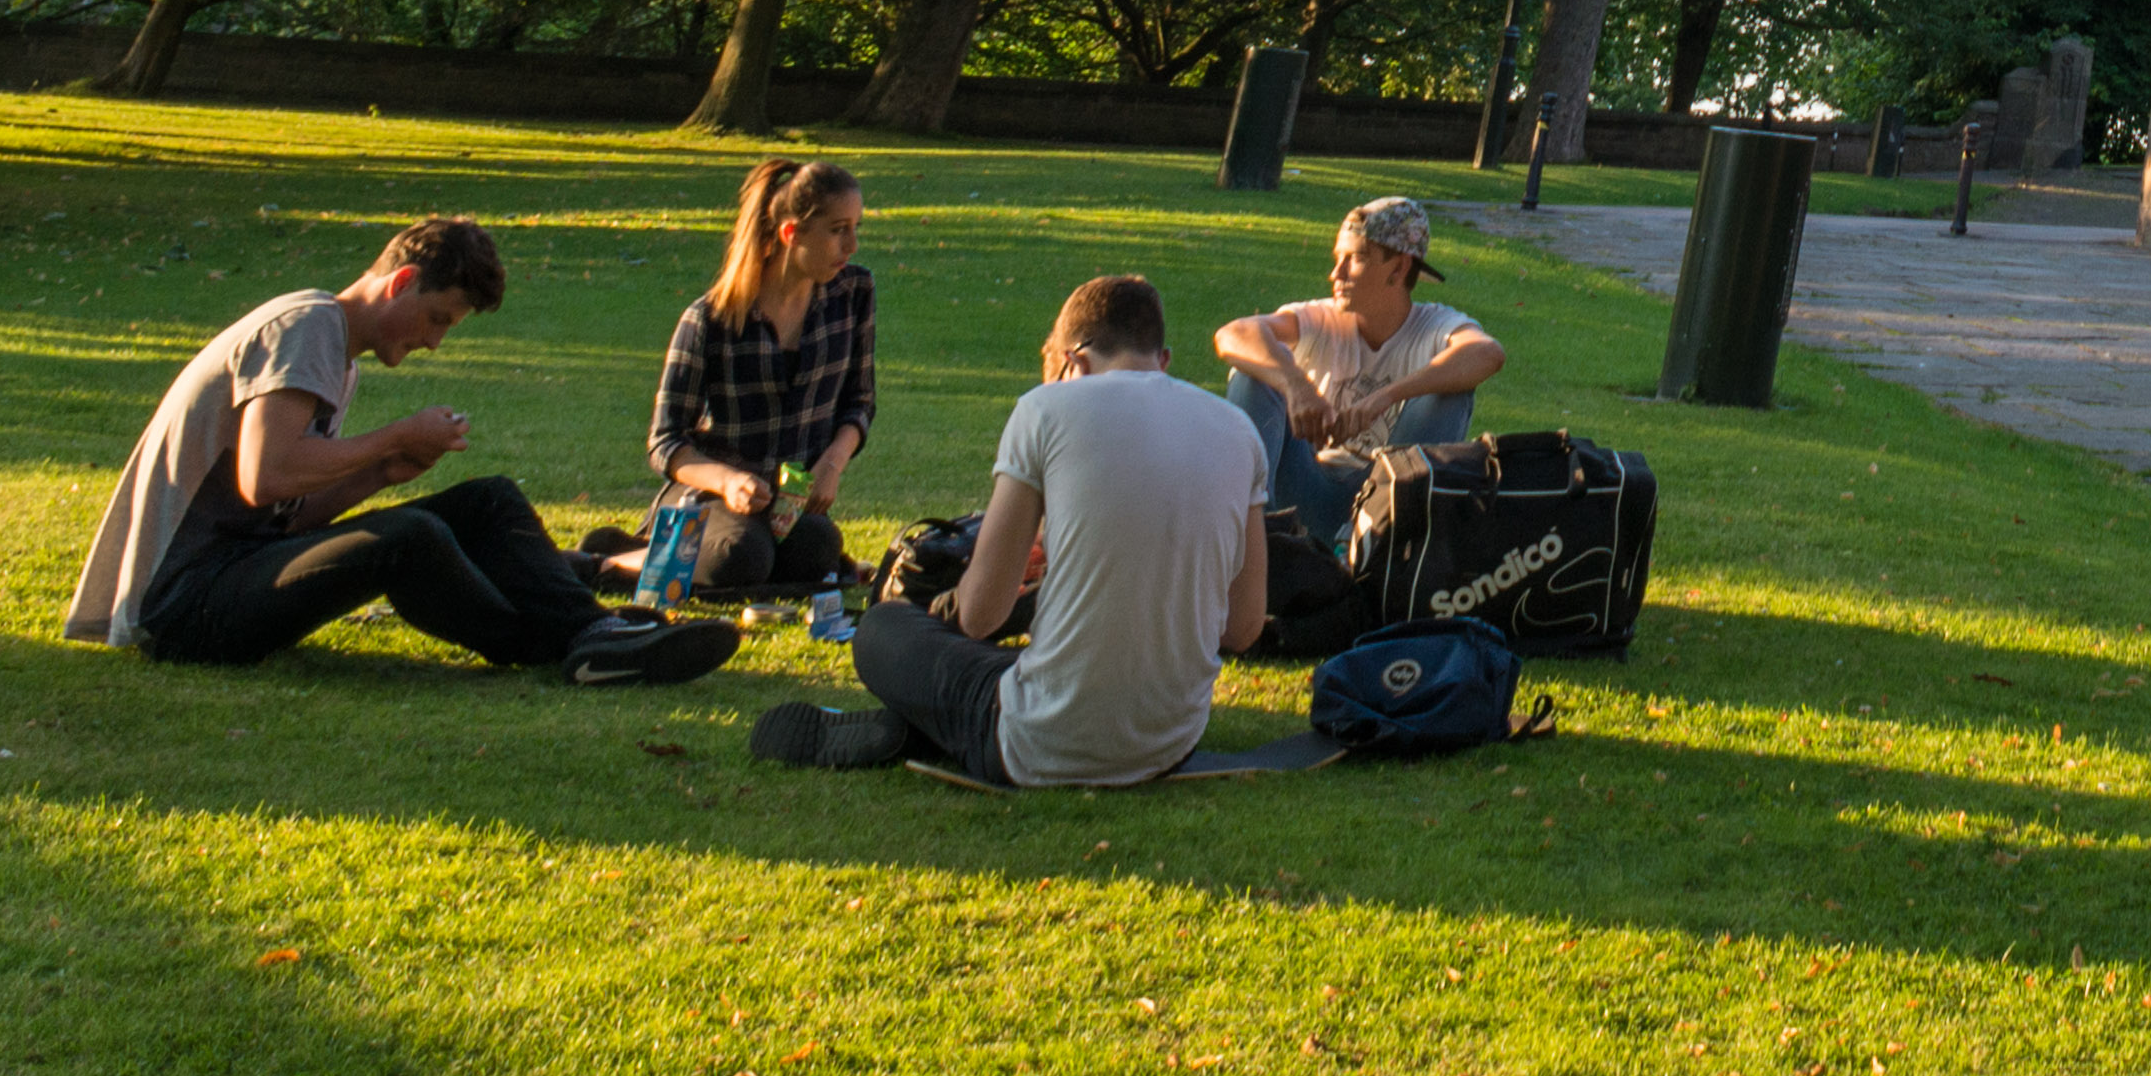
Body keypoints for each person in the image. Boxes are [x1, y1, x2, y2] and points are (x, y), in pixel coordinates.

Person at [62, 211, 646, 671]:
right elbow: (265, 476)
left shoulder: (339, 358)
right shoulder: (307, 325)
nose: (435, 342)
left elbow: (284, 517)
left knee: (488, 500)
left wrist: (381, 471)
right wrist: (392, 436)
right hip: (182, 605)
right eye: (438, 318)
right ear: (402, 282)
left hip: (238, 569)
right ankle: (564, 644)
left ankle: (595, 630)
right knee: (409, 536)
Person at [756, 274, 1262, 783]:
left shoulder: (1045, 410)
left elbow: (979, 615)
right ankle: (938, 724)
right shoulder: (1240, 431)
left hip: (1039, 743)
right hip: (1171, 741)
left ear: (1073, 363)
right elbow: (1243, 628)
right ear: (1163, 360)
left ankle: (924, 727)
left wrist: (944, 610)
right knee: (1007, 661)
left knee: (884, 628)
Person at [644, 156, 875, 600]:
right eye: (837, 230)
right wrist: (728, 482)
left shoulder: (853, 294)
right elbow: (666, 443)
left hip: (788, 502)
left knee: (818, 547)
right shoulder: (710, 319)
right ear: (792, 233)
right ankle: (615, 560)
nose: (852, 245)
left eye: (856, 227)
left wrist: (832, 462)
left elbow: (859, 402)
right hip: (711, 496)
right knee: (741, 555)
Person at [1210, 191, 1499, 527]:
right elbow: (1233, 334)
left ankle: (1397, 549)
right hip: (1306, 490)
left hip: (1387, 501)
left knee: (1450, 391)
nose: (1337, 273)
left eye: (1355, 258)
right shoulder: (1319, 318)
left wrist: (1386, 397)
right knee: (1251, 374)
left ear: (1399, 267)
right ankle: (1259, 538)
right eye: (1338, 258)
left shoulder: (1435, 326)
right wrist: (1297, 386)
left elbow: (1487, 354)